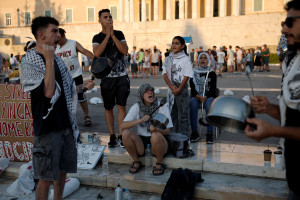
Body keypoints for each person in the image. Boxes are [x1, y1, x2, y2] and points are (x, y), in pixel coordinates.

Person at [22, 16, 94, 200]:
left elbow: (66, 90)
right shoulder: (30, 60)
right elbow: (48, 92)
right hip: (47, 129)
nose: (58, 35)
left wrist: (82, 87)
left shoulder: (58, 60)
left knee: (63, 173)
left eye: (59, 31)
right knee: (45, 178)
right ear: (41, 35)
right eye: (54, 31)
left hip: (66, 125)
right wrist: (48, 60)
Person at [245, 1, 300, 199]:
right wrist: (269, 108)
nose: (284, 28)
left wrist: (274, 131)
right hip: (294, 177)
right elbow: (294, 115)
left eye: (290, 22)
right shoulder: (292, 60)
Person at [92, 9, 129, 147]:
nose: (109, 19)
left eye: (110, 17)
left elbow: (124, 51)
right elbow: (97, 53)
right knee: (108, 107)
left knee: (121, 106)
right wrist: (107, 36)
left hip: (121, 76)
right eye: (105, 17)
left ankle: (121, 135)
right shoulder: (97, 37)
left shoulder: (119, 34)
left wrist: (113, 36)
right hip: (107, 78)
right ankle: (112, 135)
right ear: (100, 20)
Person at [121, 83, 173, 175]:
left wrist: (157, 130)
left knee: (155, 135)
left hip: (160, 142)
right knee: (125, 133)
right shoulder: (137, 107)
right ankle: (136, 161)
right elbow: (123, 126)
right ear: (141, 94)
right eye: (146, 91)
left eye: (151, 90)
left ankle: (160, 163)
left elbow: (168, 131)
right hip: (141, 142)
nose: (150, 92)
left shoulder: (161, 106)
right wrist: (140, 120)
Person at [56, 28, 95, 127]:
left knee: (80, 96)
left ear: (63, 36)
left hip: (75, 75)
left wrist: (96, 59)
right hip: (62, 77)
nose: (57, 40)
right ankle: (67, 118)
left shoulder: (73, 43)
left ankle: (87, 116)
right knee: (63, 97)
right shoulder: (54, 46)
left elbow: (84, 51)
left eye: (59, 38)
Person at [162, 36, 193, 138]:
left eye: (177, 43)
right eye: (173, 43)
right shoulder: (168, 58)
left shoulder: (185, 59)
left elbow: (187, 75)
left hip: (181, 89)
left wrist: (179, 88)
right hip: (171, 89)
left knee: (183, 114)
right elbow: (165, 73)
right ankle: (174, 135)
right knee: (173, 113)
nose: (174, 45)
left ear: (182, 46)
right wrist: (171, 87)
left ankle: (184, 137)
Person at [189, 52, 217, 143]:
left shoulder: (212, 73)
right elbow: (192, 89)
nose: (203, 60)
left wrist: (206, 96)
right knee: (192, 102)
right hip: (197, 96)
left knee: (209, 103)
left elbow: (213, 89)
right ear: (198, 60)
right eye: (201, 58)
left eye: (205, 58)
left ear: (208, 60)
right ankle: (194, 132)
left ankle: (209, 133)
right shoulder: (194, 73)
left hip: (208, 96)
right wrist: (196, 95)